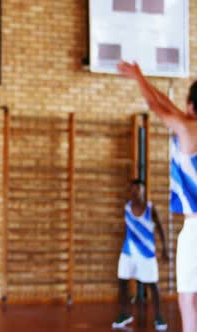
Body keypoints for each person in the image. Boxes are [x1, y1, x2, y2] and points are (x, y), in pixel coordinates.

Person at [119, 61, 197, 331]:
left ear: (190, 106)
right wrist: (144, 81)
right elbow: (163, 102)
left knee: (188, 299)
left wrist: (139, 76)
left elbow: (156, 106)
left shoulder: (188, 128)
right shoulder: (188, 123)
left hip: (195, 226)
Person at [112, 179, 168, 330]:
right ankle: (125, 313)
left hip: (146, 253)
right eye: (133, 190)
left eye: (138, 189)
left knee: (152, 285)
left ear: (143, 191)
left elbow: (161, 227)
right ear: (130, 192)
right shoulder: (127, 207)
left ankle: (159, 317)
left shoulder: (150, 208)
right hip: (128, 252)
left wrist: (165, 248)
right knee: (122, 282)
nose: (136, 192)